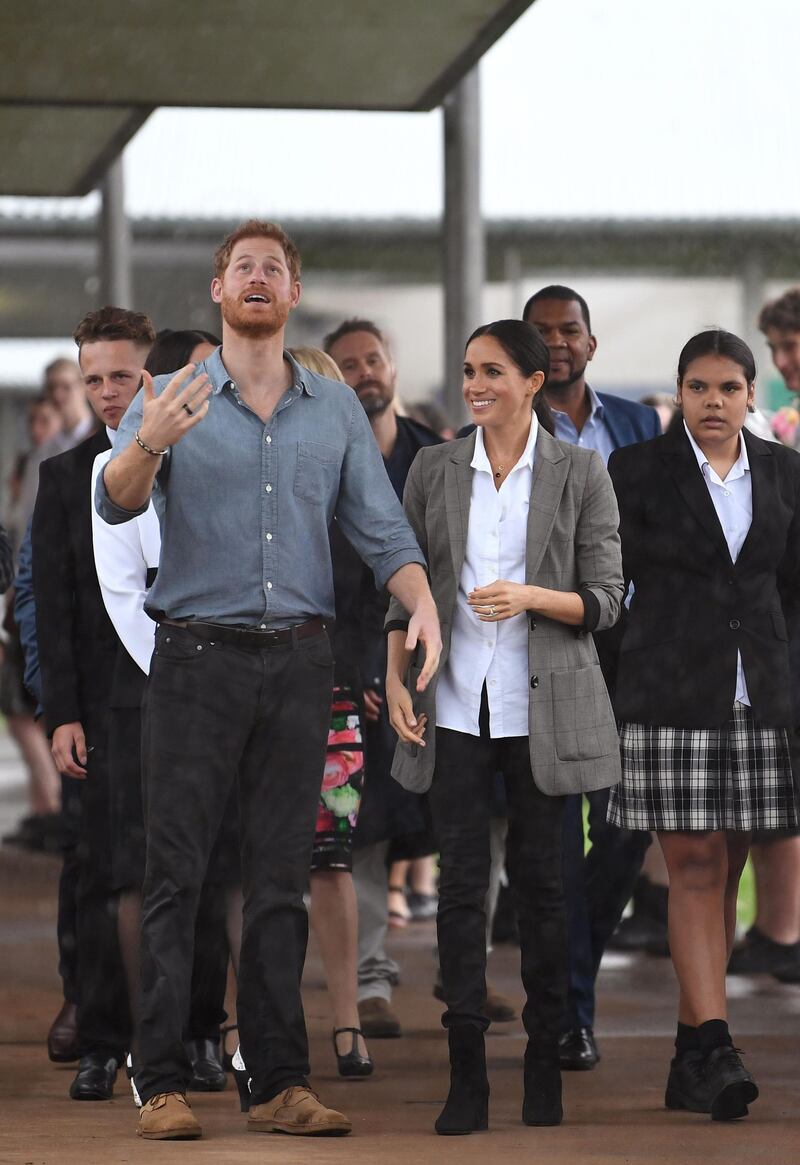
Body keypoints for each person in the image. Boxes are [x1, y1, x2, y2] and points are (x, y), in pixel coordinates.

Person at [96, 220, 440, 1142]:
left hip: (300, 660)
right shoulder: (169, 394)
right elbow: (115, 497)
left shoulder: (330, 411)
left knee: (284, 874)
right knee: (179, 874)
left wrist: (422, 600)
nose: (257, 278)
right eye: (241, 266)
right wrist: (151, 440)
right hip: (196, 659)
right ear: (218, 291)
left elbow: (380, 527)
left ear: (292, 295)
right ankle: (160, 1077)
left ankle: (279, 1078)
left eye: (273, 269)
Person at [385, 319, 623, 1135]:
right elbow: (403, 586)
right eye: (466, 371)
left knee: (544, 889)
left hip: (543, 708)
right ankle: (466, 1074)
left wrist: (530, 597)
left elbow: (606, 597)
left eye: (492, 371)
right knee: (458, 887)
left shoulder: (582, 470)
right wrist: (395, 672)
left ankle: (545, 1062)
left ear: (531, 380)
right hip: (452, 701)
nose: (475, 384)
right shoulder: (433, 466)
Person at [607, 328, 800, 1121]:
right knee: (691, 865)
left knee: (724, 871)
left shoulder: (788, 472)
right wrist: (634, 669)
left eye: (727, 388)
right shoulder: (638, 470)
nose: (713, 402)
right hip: (667, 694)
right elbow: (606, 581)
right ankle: (716, 1043)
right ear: (679, 393)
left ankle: (694, 1055)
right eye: (698, 387)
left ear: (753, 394)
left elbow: (791, 591)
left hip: (763, 695)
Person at [90, 326, 237, 1098]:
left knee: (216, 873)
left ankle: (206, 1032)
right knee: (146, 872)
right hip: (152, 685)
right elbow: (122, 587)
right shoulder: (108, 466)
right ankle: (135, 1040)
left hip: (230, 685)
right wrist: (180, 668)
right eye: (189, 375)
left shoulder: (245, 461)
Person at [522, 285, 661, 1070]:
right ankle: (570, 1012)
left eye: (569, 330)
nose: (558, 342)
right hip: (551, 646)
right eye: (542, 333)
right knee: (551, 836)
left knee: (621, 830)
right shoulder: (510, 423)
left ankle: (575, 984)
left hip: (632, 649)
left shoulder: (639, 425)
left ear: (591, 342)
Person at [31, 307, 157, 1101]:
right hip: (101, 706)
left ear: (152, 376)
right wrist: (62, 713)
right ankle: (105, 1040)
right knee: (104, 872)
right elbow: (53, 603)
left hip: (189, 694)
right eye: (95, 379)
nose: (109, 392)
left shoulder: (192, 460)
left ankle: (187, 1034)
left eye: (122, 375)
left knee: (192, 874)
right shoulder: (60, 475)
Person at [324, 317, 443, 1038]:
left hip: (435, 665)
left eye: (374, 359)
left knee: (462, 822)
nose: (364, 372)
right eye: (348, 364)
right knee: (358, 829)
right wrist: (364, 662)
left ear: (394, 367)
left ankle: (469, 973)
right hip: (350, 669)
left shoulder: (439, 456)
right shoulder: (323, 455)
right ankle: (369, 976)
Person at [724, 288, 800, 985]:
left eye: (789, 345)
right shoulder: (786, 424)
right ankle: (780, 928)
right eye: (774, 349)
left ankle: (782, 929)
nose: (784, 360)